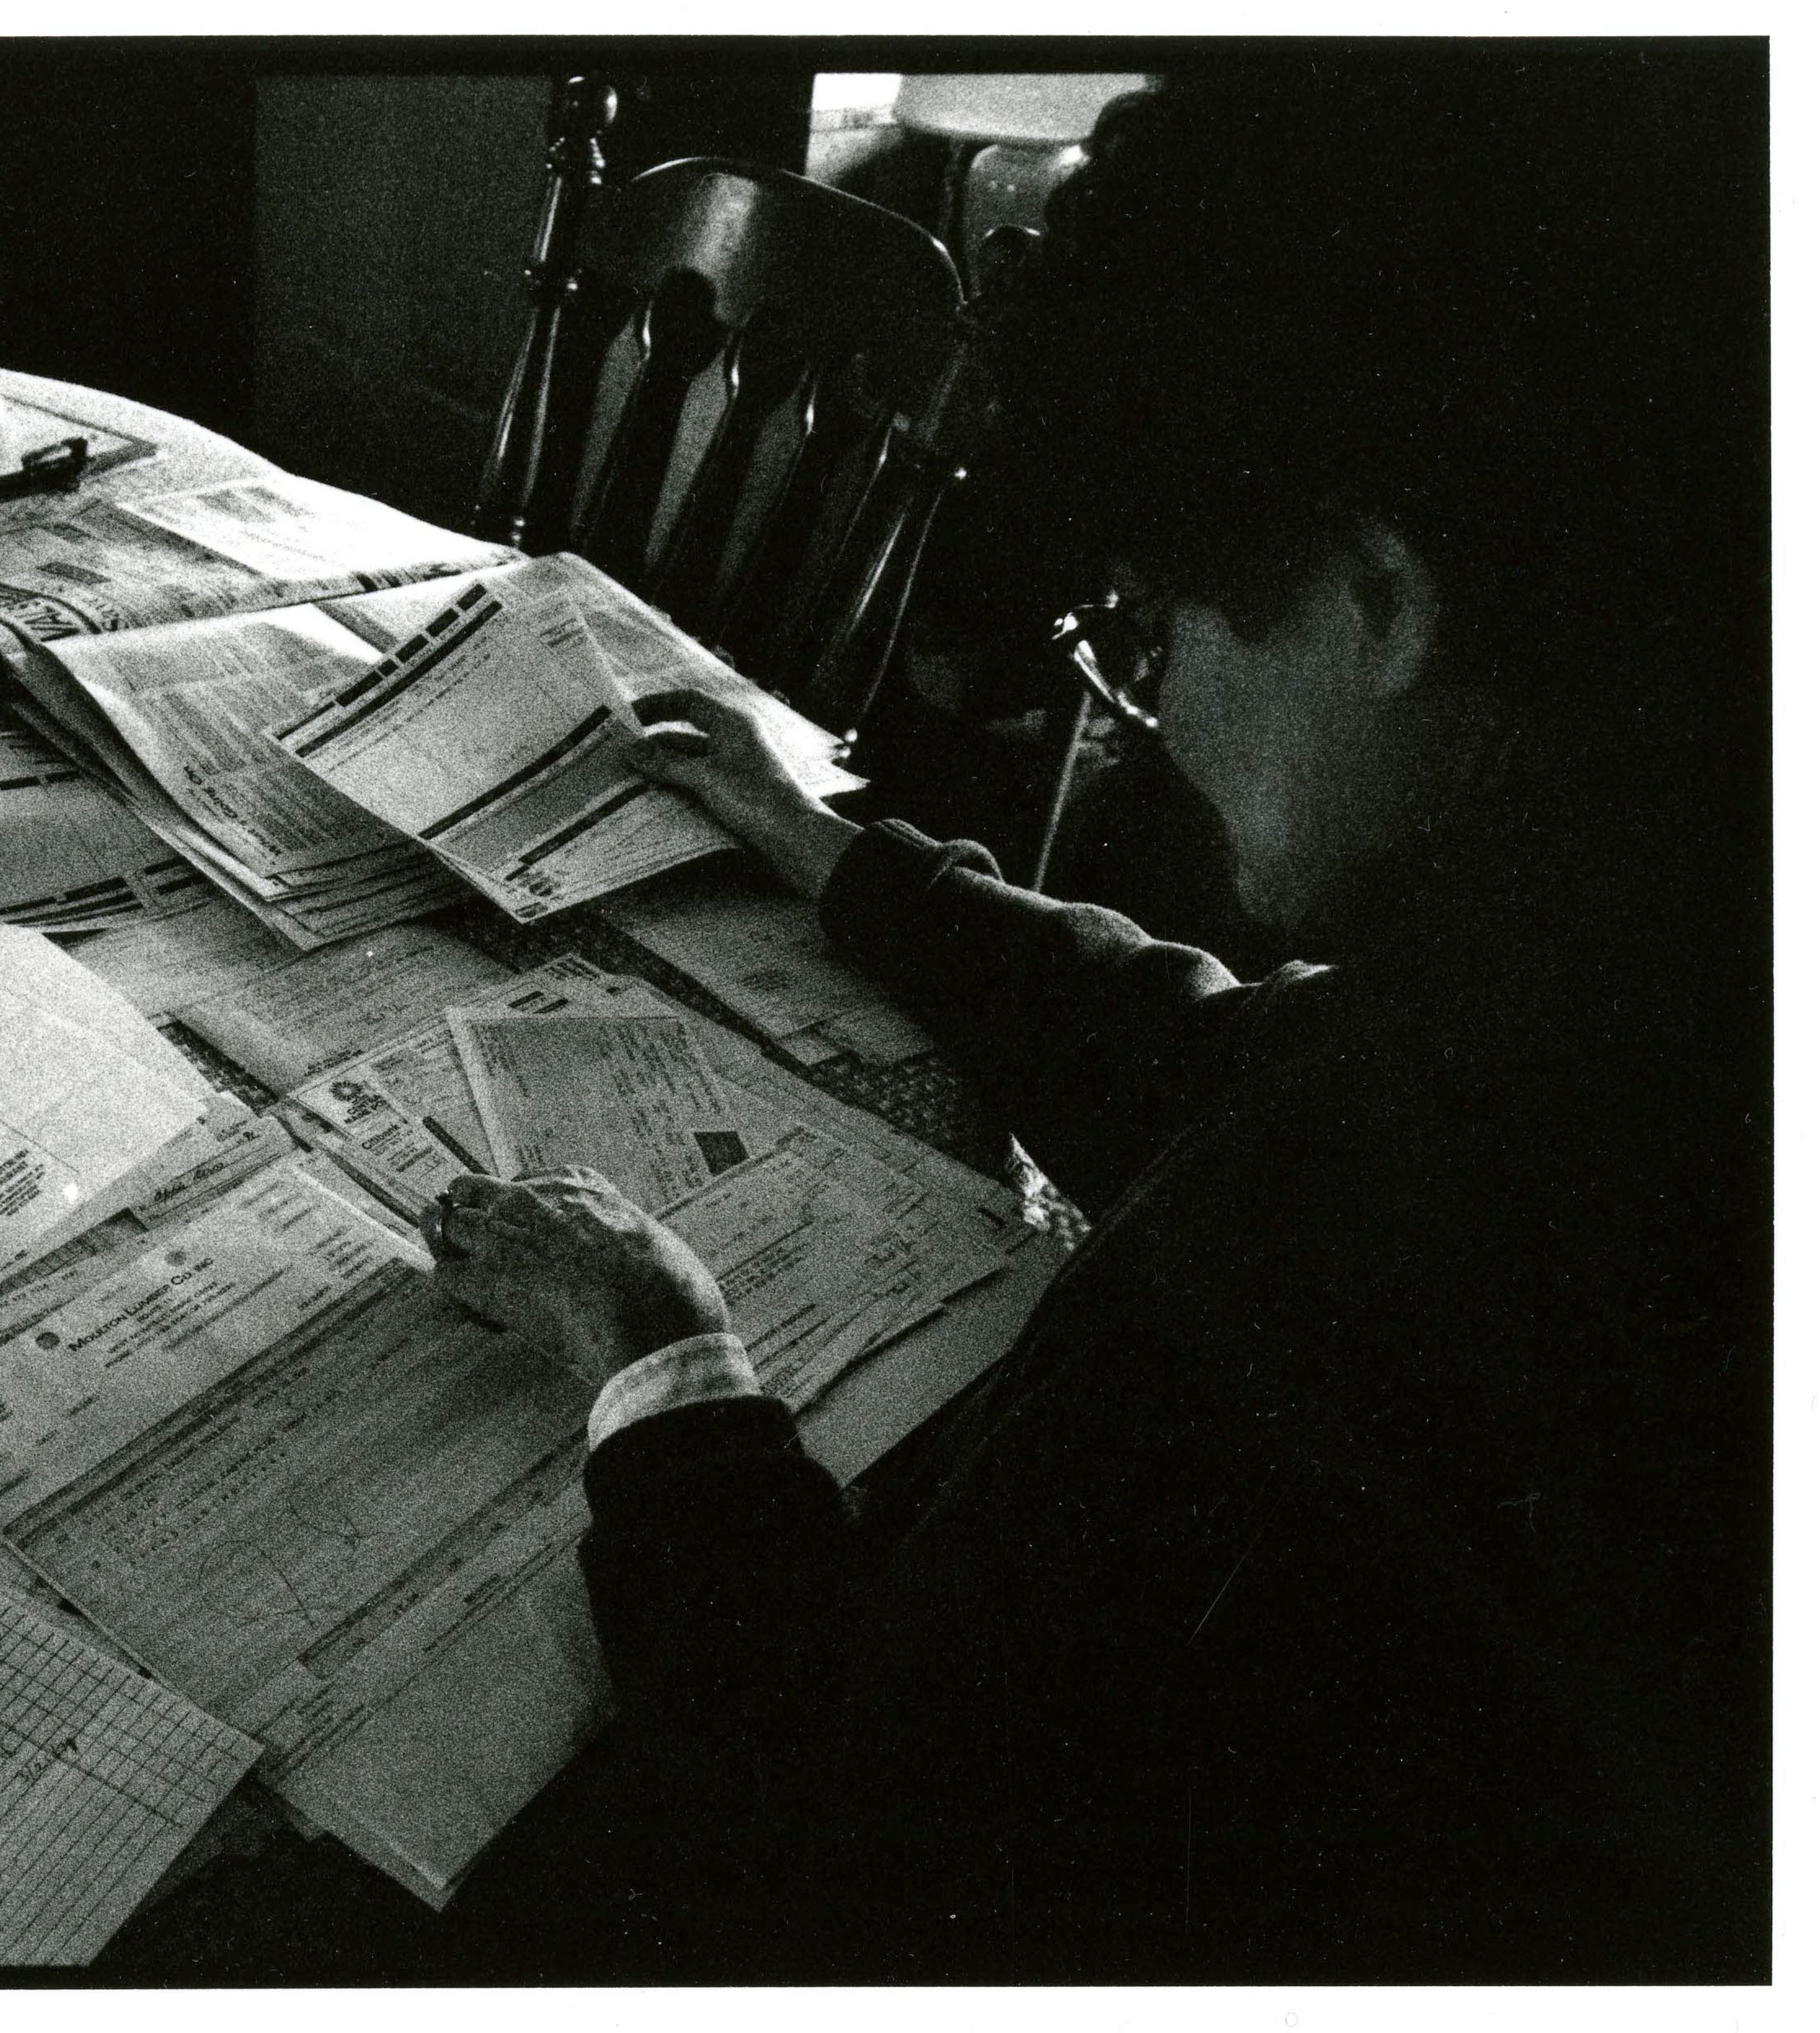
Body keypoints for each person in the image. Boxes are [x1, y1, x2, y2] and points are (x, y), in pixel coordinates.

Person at [427, 57, 1767, 1981]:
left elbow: (845, 1831)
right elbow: (1245, 1054)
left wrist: (666, 1363)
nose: (1154, 711)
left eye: (1147, 623)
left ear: (1377, 601)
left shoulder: (1323, 1273)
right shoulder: (1645, 936)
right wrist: (843, 856)